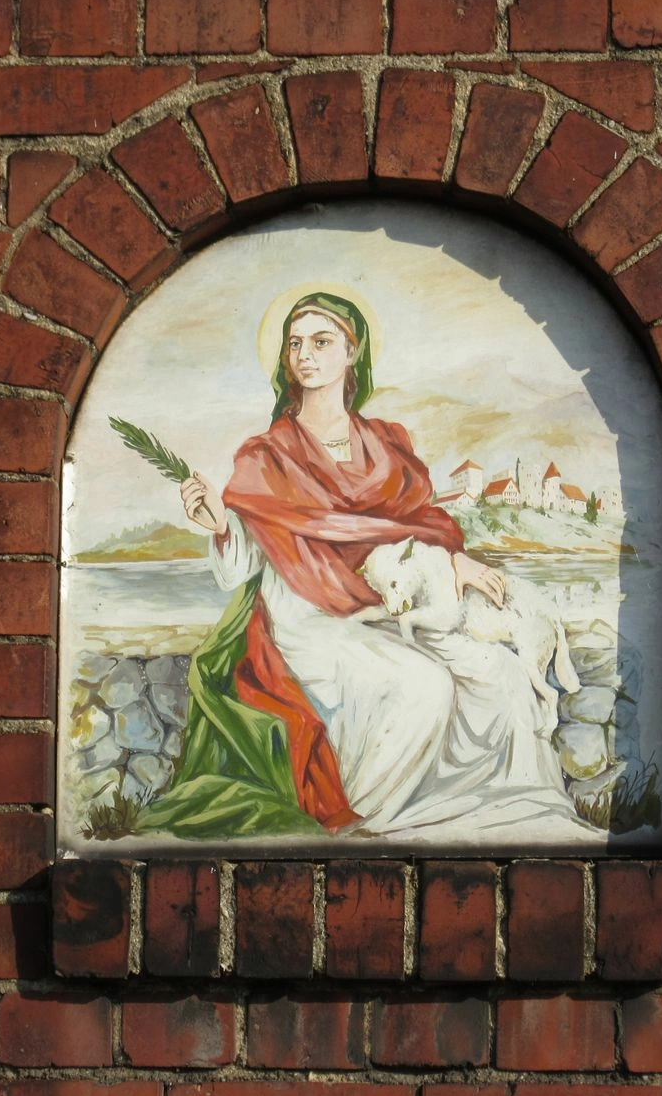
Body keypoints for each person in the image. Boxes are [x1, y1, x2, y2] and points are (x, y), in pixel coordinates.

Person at [138, 290, 591, 843]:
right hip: (307, 616)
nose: (305, 355)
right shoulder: (265, 456)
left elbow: (419, 525)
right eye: (295, 344)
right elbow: (242, 567)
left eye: (321, 341)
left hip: (390, 603)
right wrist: (219, 524)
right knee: (421, 686)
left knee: (500, 676)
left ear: (352, 352)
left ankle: (502, 811)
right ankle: (374, 828)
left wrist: (455, 561)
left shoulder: (385, 443)